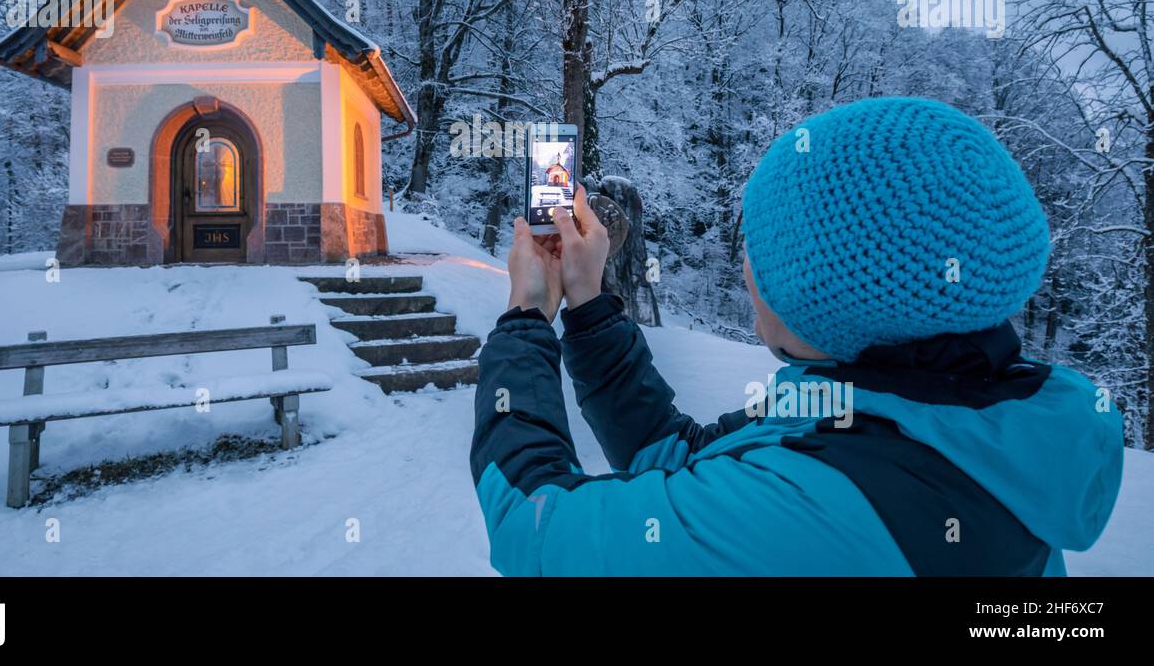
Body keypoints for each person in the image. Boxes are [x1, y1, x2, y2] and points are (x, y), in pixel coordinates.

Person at [469, 97, 1125, 575]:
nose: (747, 264)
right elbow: (676, 457)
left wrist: (527, 314)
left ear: (832, 297)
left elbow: (534, 525)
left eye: (763, 245)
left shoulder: (810, 512)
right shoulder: (933, 422)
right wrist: (586, 304)